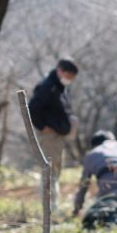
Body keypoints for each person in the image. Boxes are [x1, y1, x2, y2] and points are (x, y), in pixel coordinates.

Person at [27, 57, 79, 213]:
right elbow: (33, 108)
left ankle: (53, 204)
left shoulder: (59, 87)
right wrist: (42, 126)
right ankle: (49, 206)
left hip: (58, 135)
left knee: (56, 169)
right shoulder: (47, 86)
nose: (69, 80)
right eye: (68, 76)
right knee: (49, 170)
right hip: (50, 136)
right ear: (60, 71)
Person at [73, 130, 117, 217]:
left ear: (94, 145)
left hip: (107, 192)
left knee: (103, 215)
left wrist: (77, 208)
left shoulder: (91, 155)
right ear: (113, 140)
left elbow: (84, 185)